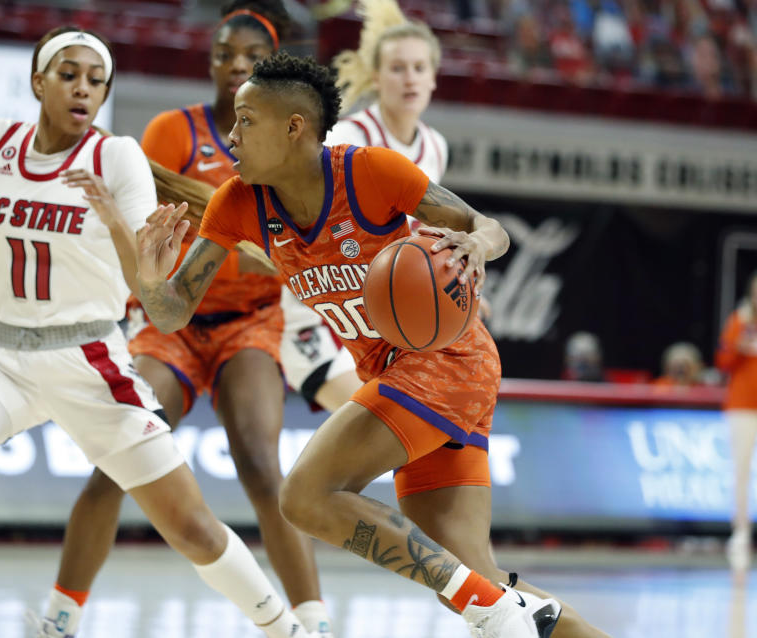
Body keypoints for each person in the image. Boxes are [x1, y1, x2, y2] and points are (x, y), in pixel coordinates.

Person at [0, 26, 315, 638]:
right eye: (69, 74)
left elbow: (147, 287)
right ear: (38, 81)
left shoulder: (114, 157)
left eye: (97, 81)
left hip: (89, 359)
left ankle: (286, 628)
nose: (83, 90)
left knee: (191, 527)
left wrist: (111, 219)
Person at [134, 51, 567, 638]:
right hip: (401, 371)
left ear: (294, 127)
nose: (231, 136)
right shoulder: (238, 201)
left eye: (246, 120)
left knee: (306, 496)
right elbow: (173, 312)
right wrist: (150, 281)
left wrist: (476, 248)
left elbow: (485, 226)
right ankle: (508, 610)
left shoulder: (370, 172)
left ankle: (490, 611)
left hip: (445, 361)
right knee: (474, 573)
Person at [37, 6, 333, 638]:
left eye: (251, 55)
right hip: (171, 321)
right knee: (119, 459)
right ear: (211, 61)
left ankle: (313, 621)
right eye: (225, 53)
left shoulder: (288, 144)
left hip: (249, 323)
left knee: (260, 463)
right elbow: (143, 210)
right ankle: (61, 617)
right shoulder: (175, 129)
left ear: (272, 69)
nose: (235, 65)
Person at [280, 0, 449, 413]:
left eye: (419, 68)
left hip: (384, 324)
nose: (409, 78)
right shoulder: (345, 139)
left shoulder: (436, 147)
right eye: (398, 68)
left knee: (418, 438)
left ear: (433, 79)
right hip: (321, 318)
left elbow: (421, 235)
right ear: (377, 77)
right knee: (387, 424)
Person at [716, 271, 757, 572]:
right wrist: (742, 338)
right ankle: (741, 531)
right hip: (742, 406)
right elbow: (724, 361)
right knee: (741, 471)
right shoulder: (739, 321)